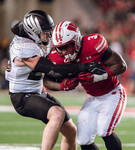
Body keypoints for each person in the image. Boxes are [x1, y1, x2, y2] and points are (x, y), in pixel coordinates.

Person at [5, 10, 104, 150]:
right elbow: (53, 69)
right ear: (33, 32)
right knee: (57, 113)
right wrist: (86, 66)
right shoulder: (23, 48)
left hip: (37, 91)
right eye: (45, 32)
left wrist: (61, 86)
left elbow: (42, 76)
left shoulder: (34, 39)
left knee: (71, 131)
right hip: (22, 96)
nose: (49, 36)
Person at [46, 21, 127, 150]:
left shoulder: (93, 44)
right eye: (59, 48)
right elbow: (45, 81)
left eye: (66, 46)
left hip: (112, 92)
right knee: (83, 140)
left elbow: (121, 65)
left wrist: (98, 77)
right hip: (92, 97)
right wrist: (62, 86)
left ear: (76, 41)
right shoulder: (55, 57)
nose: (63, 52)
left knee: (104, 130)